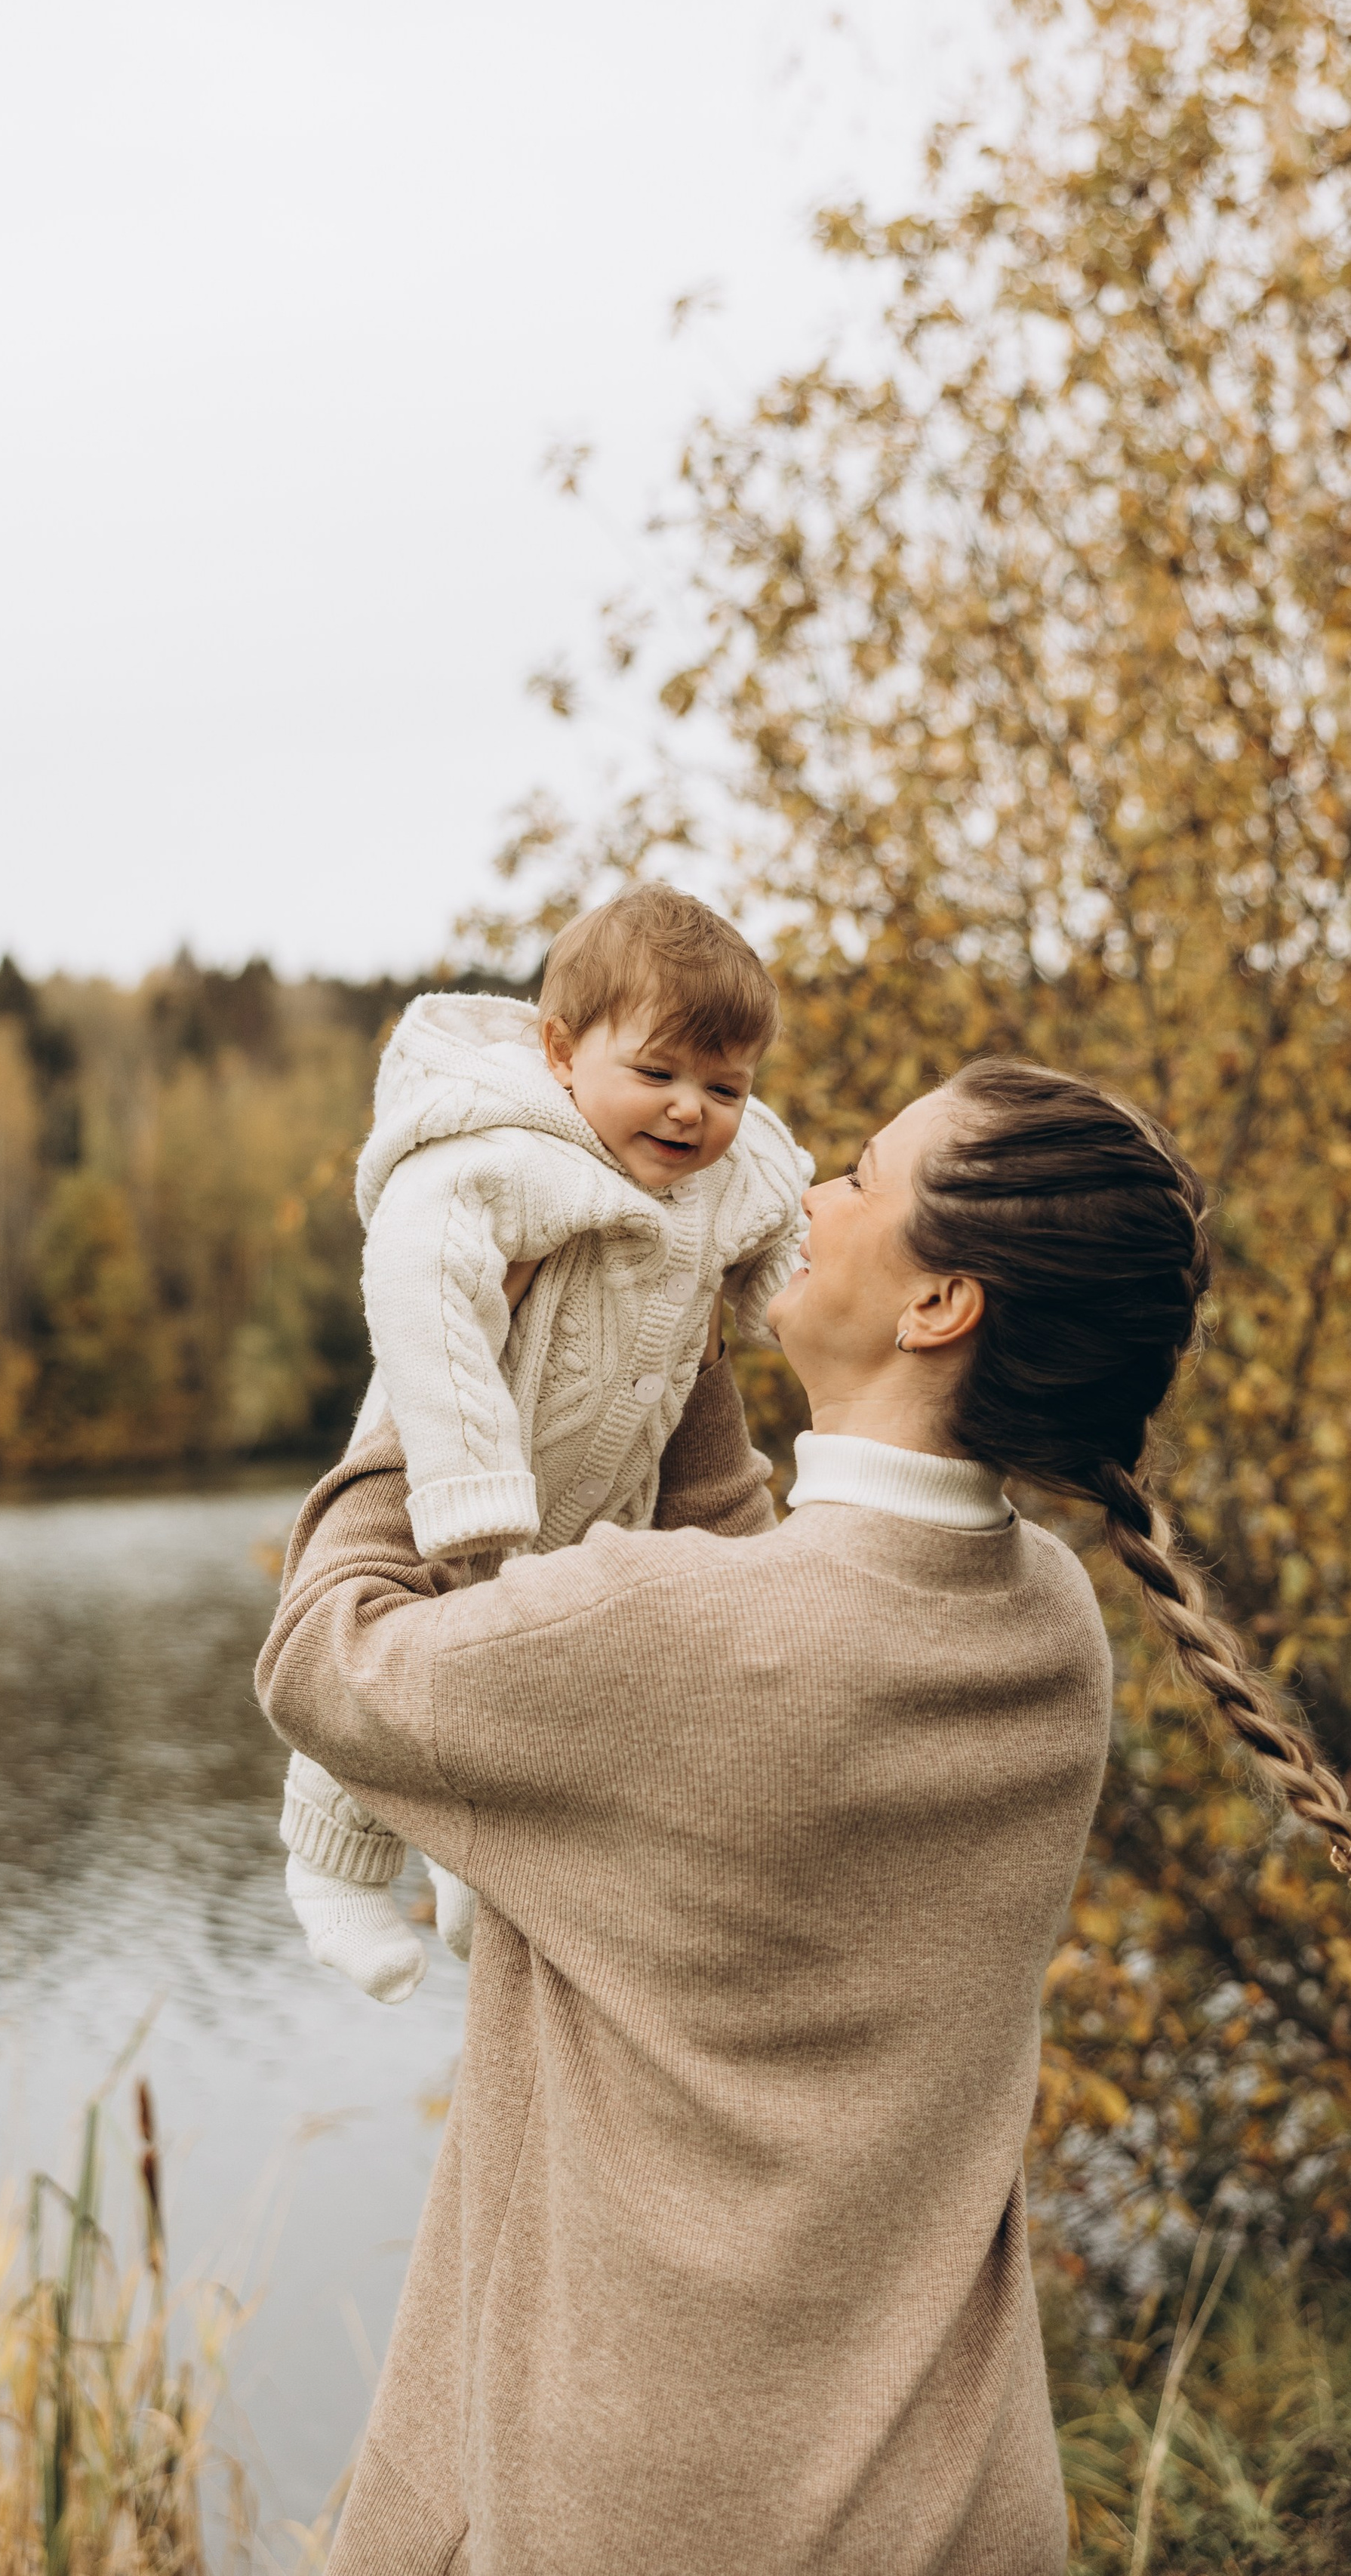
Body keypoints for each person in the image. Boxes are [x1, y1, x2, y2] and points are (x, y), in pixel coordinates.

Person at [257, 1057, 1351, 2576]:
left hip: (652, 2518)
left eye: (858, 1175)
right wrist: (666, 1310)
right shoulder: (1046, 1630)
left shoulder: (680, 1642)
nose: (813, 1193)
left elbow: (327, 1659)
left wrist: (440, 1348)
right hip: (956, 2506)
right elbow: (769, 1614)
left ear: (937, 1304)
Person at [282, 883, 809, 2003]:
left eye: (726, 1086)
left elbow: (785, 1228)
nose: (690, 1113)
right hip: (465, 1454)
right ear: (563, 1052)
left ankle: (486, 1870)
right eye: (657, 1075)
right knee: (392, 1655)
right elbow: (418, 1270)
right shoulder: (509, 1145)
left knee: (533, 1685)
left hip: (607, 1498)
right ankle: (330, 1866)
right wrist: (467, 1480)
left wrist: (794, 1309)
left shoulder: (729, 1165)